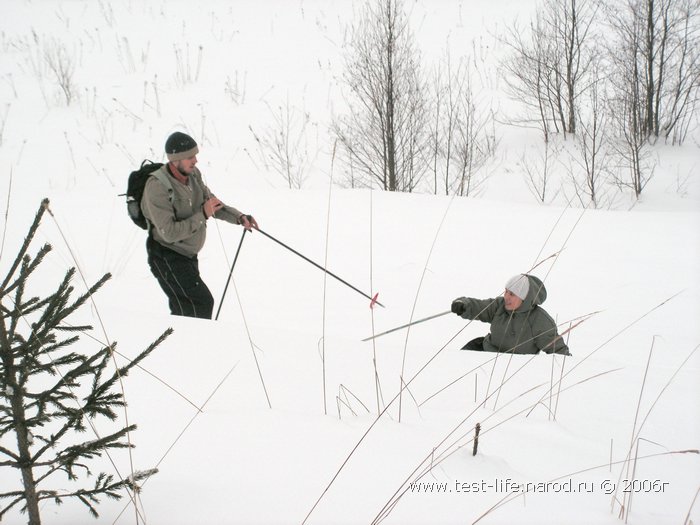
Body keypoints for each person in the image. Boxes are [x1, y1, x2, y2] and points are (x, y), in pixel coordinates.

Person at [141, 131, 258, 319]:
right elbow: (169, 233)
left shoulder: (193, 175)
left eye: (195, 155)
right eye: (189, 157)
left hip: (188, 256)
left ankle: (185, 346)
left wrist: (239, 217)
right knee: (201, 304)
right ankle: (195, 346)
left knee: (185, 312)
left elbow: (212, 204)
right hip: (166, 256)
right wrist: (202, 214)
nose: (195, 160)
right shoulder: (156, 187)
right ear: (175, 160)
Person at [451, 274, 570, 355]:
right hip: (486, 350)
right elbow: (479, 307)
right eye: (506, 292)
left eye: (512, 294)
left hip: (513, 366)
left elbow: (558, 351)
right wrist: (463, 305)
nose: (506, 297)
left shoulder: (539, 321)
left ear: (525, 298)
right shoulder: (499, 306)